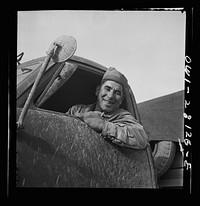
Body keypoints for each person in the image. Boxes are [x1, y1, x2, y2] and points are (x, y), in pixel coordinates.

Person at [66, 67, 149, 149]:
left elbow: (142, 139)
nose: (110, 96)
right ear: (98, 90)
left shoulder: (123, 116)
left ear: (121, 100)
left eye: (117, 93)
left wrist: (104, 125)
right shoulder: (77, 110)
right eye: (107, 89)